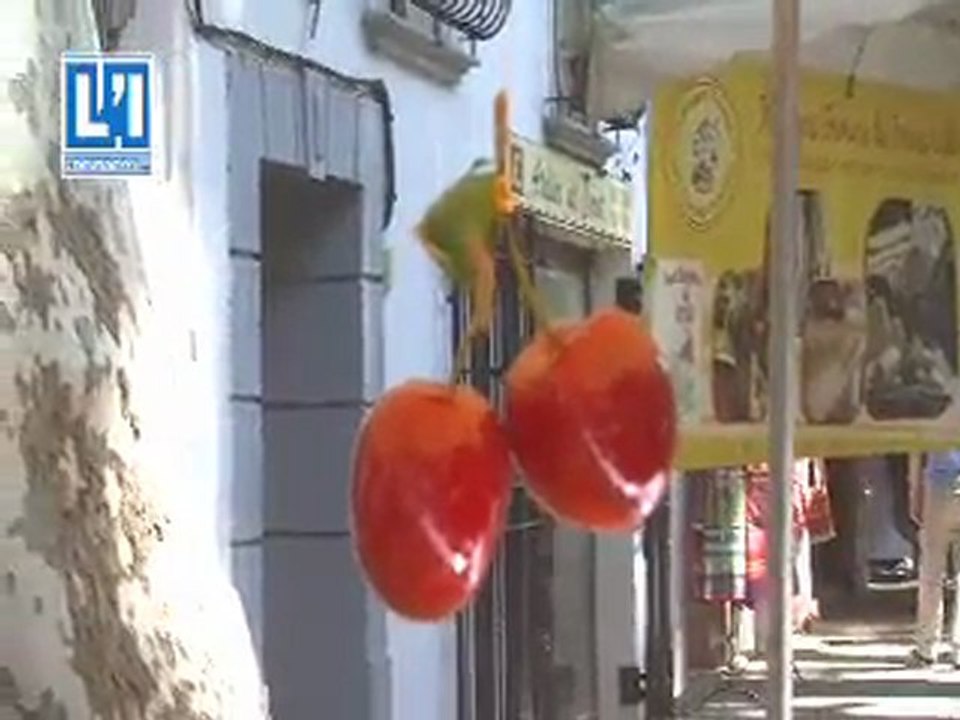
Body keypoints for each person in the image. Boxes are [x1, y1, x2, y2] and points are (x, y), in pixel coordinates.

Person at [909, 450, 960, 668]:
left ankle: (926, 647)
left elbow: (916, 445)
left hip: (939, 485)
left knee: (931, 571)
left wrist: (914, 490)